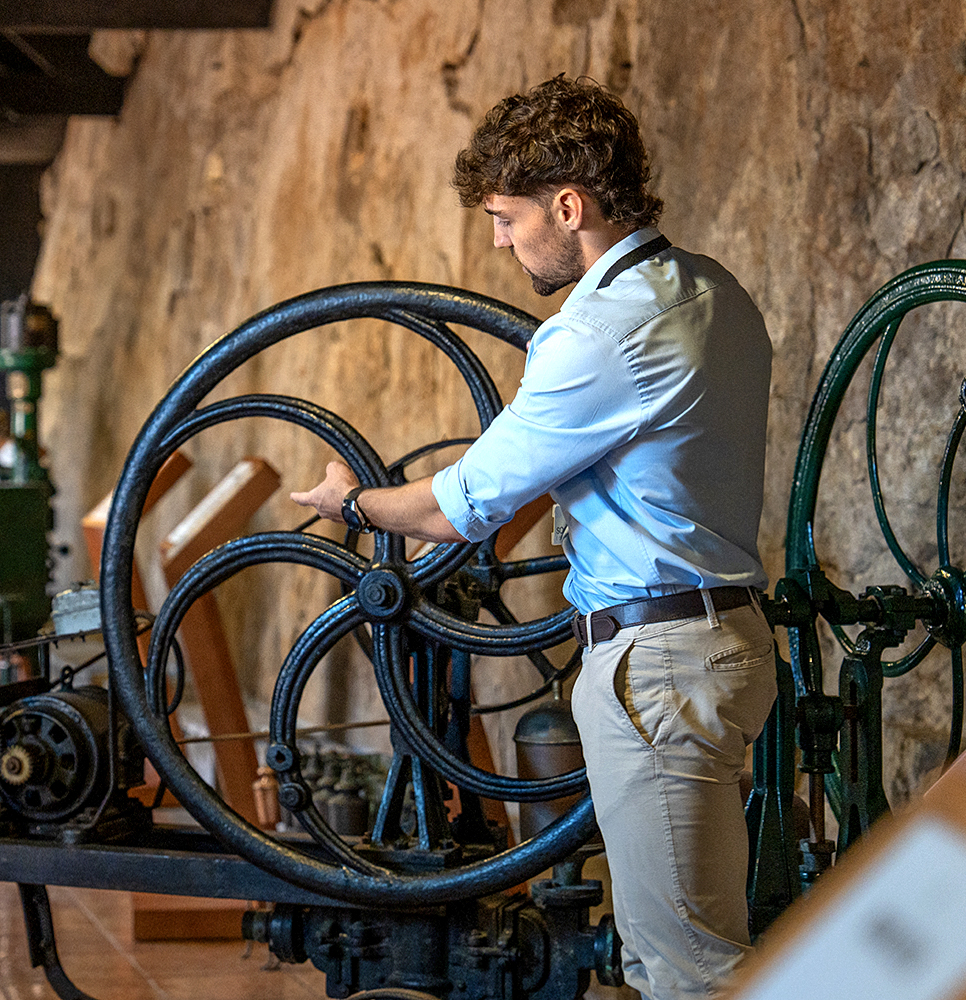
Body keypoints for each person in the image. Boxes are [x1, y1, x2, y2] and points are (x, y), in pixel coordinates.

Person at [289, 75, 777, 1000]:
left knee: (693, 974)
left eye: (508, 217)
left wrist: (353, 504)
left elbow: (456, 505)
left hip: (654, 666)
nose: (501, 240)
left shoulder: (596, 332)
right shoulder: (714, 292)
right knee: (661, 952)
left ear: (569, 204)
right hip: (718, 639)